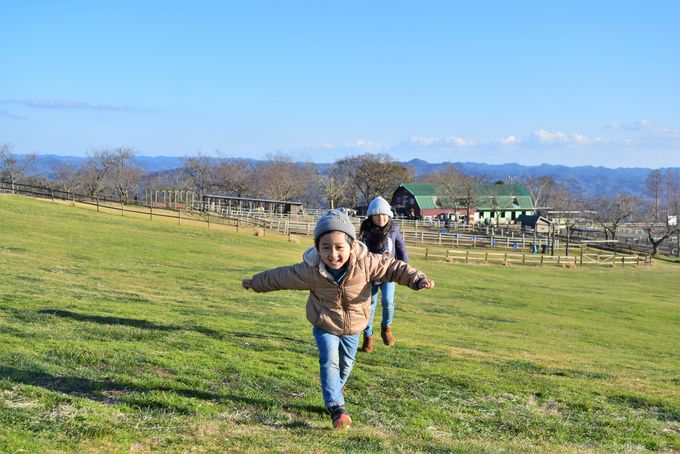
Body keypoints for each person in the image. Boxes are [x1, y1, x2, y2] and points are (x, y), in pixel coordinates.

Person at [242, 209, 434, 431]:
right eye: (326, 248)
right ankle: (337, 408)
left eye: (339, 247)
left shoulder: (366, 263)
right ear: (317, 249)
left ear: (352, 246)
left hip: (354, 327)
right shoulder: (311, 270)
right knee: (330, 360)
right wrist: (256, 282)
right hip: (325, 324)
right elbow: (282, 277)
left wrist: (417, 279)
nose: (333, 255)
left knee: (346, 364)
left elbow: (393, 267)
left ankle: (334, 393)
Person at [358, 196, 409, 353]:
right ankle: (368, 337)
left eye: (384, 215)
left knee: (388, 302)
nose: (381, 218)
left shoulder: (393, 230)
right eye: (377, 215)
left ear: (389, 216)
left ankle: (386, 328)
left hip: (389, 273)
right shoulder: (366, 231)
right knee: (370, 306)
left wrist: (404, 267)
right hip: (370, 274)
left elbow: (401, 248)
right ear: (371, 216)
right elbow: (359, 250)